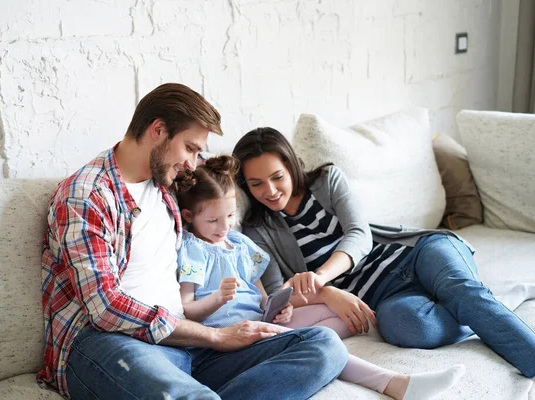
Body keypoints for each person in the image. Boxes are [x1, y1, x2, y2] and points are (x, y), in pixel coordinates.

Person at [36, 84, 349, 400]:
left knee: (323, 346)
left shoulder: (168, 185)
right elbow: (104, 309)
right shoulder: (87, 196)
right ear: (158, 130)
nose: (193, 162)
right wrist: (214, 336)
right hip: (110, 344)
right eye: (190, 147)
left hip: (187, 346)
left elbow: (226, 193)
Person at [231, 126, 535, 381]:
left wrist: (321, 277)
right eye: (256, 184)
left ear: (291, 166)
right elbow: (275, 295)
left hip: (416, 253)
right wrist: (327, 294)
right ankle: (483, 307)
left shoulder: (327, 180)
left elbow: (359, 235)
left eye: (277, 177)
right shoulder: (258, 229)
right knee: (403, 326)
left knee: (462, 293)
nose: (269, 190)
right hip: (385, 296)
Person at [173, 155, 465, 400]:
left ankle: (301, 344)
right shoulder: (193, 252)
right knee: (324, 340)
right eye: (212, 220)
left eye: (229, 216)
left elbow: (262, 298)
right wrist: (217, 299)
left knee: (337, 314)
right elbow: (187, 310)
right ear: (188, 216)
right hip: (230, 336)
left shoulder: (241, 245)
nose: (223, 226)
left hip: (259, 324)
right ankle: (395, 383)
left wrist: (279, 307)